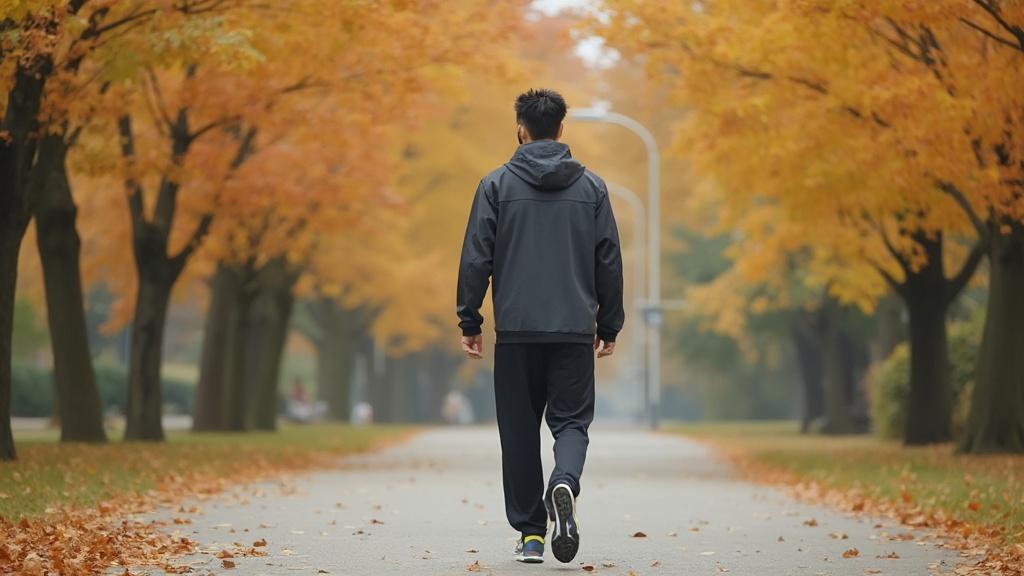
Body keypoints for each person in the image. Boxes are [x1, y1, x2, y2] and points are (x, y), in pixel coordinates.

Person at [456, 88, 625, 564]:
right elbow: (608, 260)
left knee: (519, 431)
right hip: (572, 329)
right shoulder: (592, 189)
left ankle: (531, 535)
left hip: (516, 332)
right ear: (561, 130)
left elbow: (476, 258)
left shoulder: (495, 186)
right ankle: (564, 483)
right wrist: (608, 323)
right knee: (571, 423)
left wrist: (470, 318)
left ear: (521, 130)